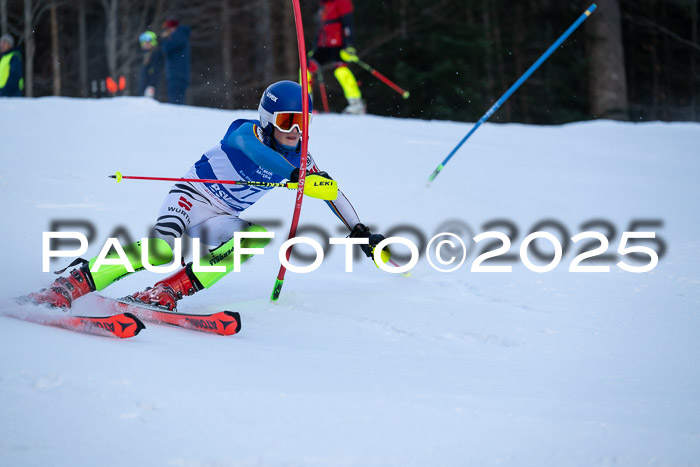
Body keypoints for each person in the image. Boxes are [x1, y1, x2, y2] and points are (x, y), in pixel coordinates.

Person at [27, 81, 388, 310]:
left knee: (252, 239)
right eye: (286, 121)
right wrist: (294, 176)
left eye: (303, 122)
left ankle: (166, 292)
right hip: (191, 197)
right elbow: (256, 152)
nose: (295, 130)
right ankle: (71, 284)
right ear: (267, 119)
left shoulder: (302, 157)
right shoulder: (244, 132)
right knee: (159, 248)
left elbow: (331, 191)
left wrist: (359, 230)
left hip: (221, 218)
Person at [308, 0, 365, 114]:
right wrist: (315, 46)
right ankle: (304, 104)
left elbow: (348, 23)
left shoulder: (342, 2)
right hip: (323, 45)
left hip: (339, 43)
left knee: (341, 71)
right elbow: (321, 28)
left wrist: (349, 45)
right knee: (306, 69)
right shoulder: (324, 4)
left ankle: (356, 104)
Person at [160, 17, 190, 105]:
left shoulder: (179, 36)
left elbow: (166, 48)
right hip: (177, 74)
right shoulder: (181, 35)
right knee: (176, 102)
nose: (167, 31)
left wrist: (165, 38)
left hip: (177, 75)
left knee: (175, 103)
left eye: (169, 28)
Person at [137, 31, 163, 98]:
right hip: (143, 86)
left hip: (150, 87)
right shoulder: (144, 54)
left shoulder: (155, 54)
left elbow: (155, 71)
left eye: (147, 43)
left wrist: (152, 85)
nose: (145, 44)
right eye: (143, 42)